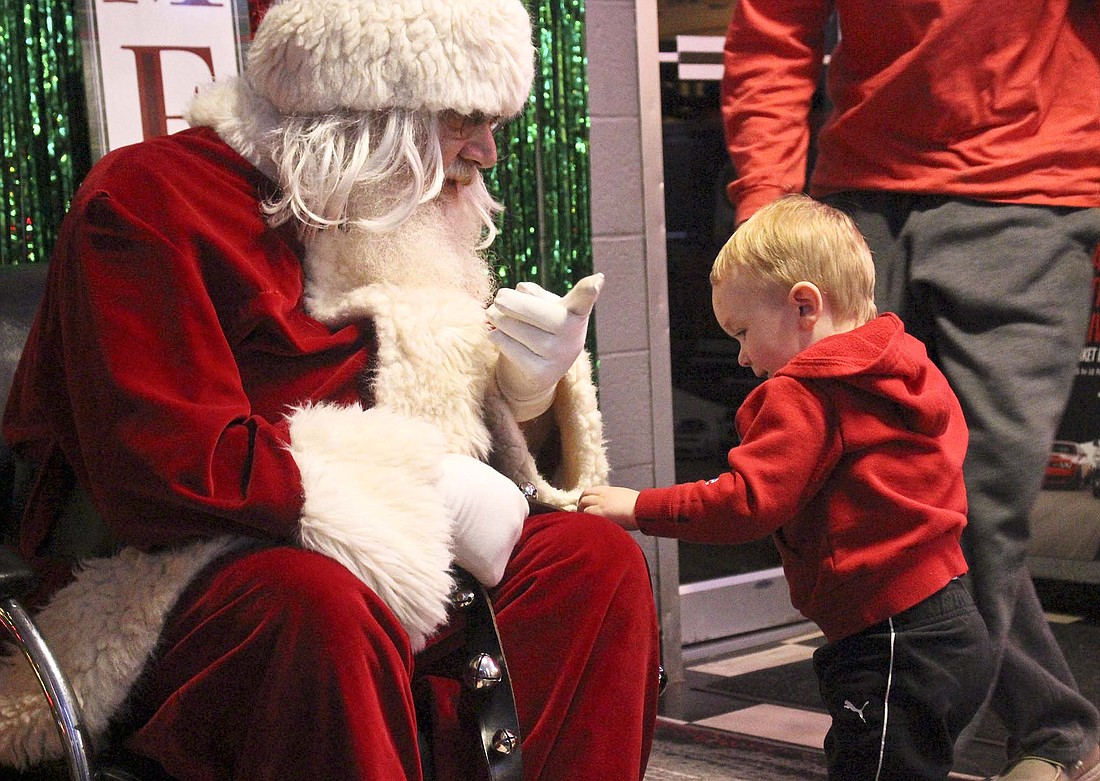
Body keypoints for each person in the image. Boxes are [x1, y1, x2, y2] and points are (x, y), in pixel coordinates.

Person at [0, 0, 661, 778]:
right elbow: (162, 466)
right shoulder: (149, 200)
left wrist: (525, 400)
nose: (486, 150)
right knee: (321, 608)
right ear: (368, 105)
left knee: (593, 562)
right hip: (170, 572)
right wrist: (413, 487)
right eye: (464, 119)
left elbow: (452, 419)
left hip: (399, 561)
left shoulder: (389, 202)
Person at [718, 3, 1100, 779]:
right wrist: (765, 207)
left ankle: (905, 759)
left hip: (1030, 186)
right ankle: (1055, 729)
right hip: (858, 192)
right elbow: (773, 29)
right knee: (869, 492)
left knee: (982, 502)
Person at [581, 194, 994, 781]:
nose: (745, 357)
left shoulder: (805, 392)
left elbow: (746, 503)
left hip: (890, 643)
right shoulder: (905, 364)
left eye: (744, 332)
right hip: (952, 622)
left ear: (805, 305)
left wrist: (639, 507)